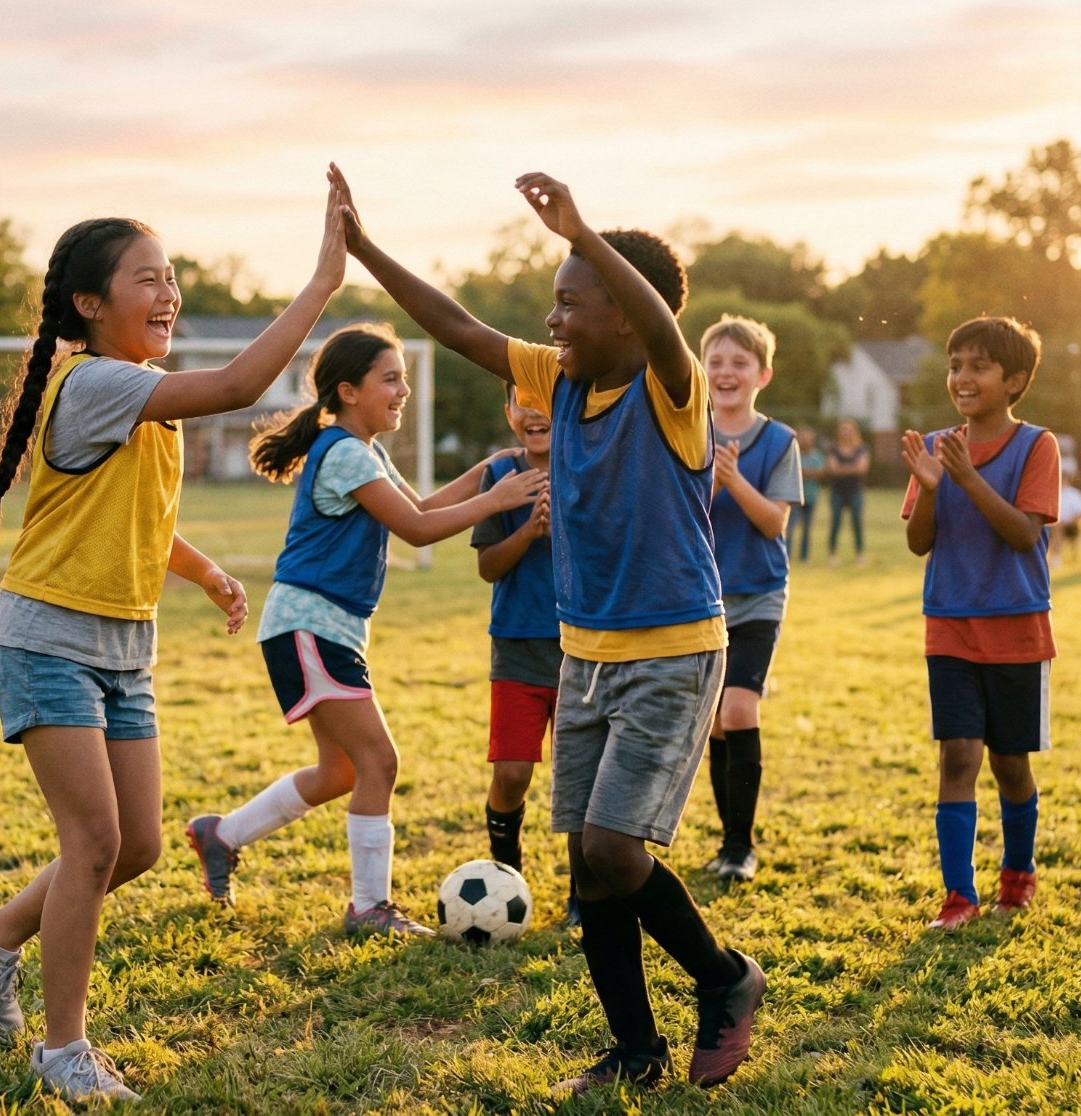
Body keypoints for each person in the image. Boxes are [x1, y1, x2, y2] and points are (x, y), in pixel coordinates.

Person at [338, 165, 765, 1094]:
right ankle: (635, 1048)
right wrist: (368, 252)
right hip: (585, 656)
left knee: (616, 852)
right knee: (585, 863)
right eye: (553, 303)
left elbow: (665, 328)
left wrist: (583, 233)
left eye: (572, 304)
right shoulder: (554, 378)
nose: (554, 321)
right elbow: (455, 326)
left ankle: (727, 980)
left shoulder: (670, 388)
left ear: (623, 312)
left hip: (674, 651)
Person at [0, 174, 347, 1104]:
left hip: (126, 647)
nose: (168, 294)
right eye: (146, 280)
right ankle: (63, 1051)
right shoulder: (93, 382)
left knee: (139, 847)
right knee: (91, 841)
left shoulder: (138, 398)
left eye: (172, 278)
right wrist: (322, 281)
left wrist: (201, 570)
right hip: (48, 639)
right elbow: (245, 384)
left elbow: (127, 518)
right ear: (90, 304)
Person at [185, 325, 546, 936]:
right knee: (378, 761)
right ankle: (369, 908)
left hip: (325, 630)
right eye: (391, 378)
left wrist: (490, 473)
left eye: (404, 376)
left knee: (343, 772)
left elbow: (425, 507)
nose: (404, 389)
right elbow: (418, 530)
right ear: (349, 391)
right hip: (310, 626)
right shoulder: (346, 452)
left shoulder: (362, 450)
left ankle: (222, 834)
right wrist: (498, 497)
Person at [899, 316, 1058, 933]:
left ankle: (1017, 872)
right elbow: (919, 543)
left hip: (1018, 629)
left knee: (1009, 765)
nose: (962, 378)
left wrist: (966, 477)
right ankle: (958, 896)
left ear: (1014, 380)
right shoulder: (937, 445)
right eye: (955, 365)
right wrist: (934, 488)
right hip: (951, 628)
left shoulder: (1036, 446)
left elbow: (1023, 532)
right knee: (958, 756)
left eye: (978, 366)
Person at [699, 315, 801, 883]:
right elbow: (679, 519)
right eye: (716, 361)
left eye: (739, 362)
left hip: (759, 596)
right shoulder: (687, 432)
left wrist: (734, 480)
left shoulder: (779, 441)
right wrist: (711, 480)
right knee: (715, 724)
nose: (726, 371)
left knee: (739, 709)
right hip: (702, 600)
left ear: (762, 374)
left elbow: (772, 524)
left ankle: (742, 847)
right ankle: (727, 841)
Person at [467, 386, 564, 914]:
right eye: (522, 400)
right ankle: (507, 880)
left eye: (546, 397)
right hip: (517, 646)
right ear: (509, 413)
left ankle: (584, 893)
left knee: (580, 779)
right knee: (511, 774)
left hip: (583, 648)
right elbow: (487, 568)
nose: (534, 410)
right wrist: (529, 531)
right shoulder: (498, 477)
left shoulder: (590, 467)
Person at [825, 418, 870, 561]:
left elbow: (862, 468)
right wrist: (853, 468)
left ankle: (860, 554)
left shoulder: (862, 449)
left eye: (848, 431)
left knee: (857, 522)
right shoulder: (833, 449)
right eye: (843, 431)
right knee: (835, 522)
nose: (846, 434)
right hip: (837, 492)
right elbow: (832, 469)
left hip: (855, 491)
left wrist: (841, 468)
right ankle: (832, 554)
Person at [787, 425, 824, 561]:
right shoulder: (792, 454)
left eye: (807, 438)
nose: (805, 441)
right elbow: (790, 471)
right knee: (790, 528)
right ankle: (787, 555)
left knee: (807, 530)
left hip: (810, 497)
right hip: (794, 497)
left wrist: (802, 471)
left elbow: (820, 472)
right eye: (802, 438)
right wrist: (809, 472)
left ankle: (804, 557)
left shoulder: (817, 456)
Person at [1049, 480, 1081, 568]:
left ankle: (1056, 558)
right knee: (1056, 527)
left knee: (1058, 527)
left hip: (1072, 526)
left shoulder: (1074, 494)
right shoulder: (1050, 492)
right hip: (1052, 526)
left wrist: (1071, 521)